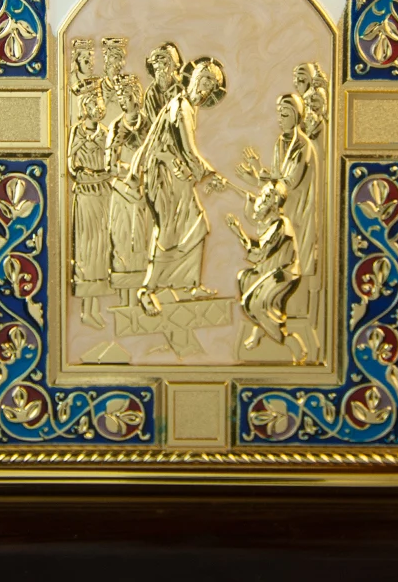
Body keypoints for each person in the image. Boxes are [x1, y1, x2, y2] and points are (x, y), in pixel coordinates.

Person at [129, 56, 227, 317]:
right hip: (163, 176)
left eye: (212, 86)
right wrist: (209, 173)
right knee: (168, 232)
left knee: (196, 224)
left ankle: (190, 285)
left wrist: (201, 173)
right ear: (195, 79)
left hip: (176, 176)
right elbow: (188, 149)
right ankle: (147, 290)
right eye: (205, 81)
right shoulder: (180, 107)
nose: (206, 90)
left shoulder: (188, 107)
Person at [238, 93, 318, 279]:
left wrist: (256, 179)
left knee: (295, 247)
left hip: (297, 206)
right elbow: (276, 178)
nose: (280, 119)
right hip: (281, 205)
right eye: (279, 113)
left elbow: (289, 183)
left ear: (296, 116)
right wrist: (258, 170)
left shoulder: (302, 145)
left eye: (285, 114)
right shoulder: (280, 142)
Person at [226, 179, 306, 363]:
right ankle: (259, 330)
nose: (260, 197)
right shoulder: (268, 222)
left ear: (274, 202)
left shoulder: (281, 225)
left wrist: (239, 233)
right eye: (262, 193)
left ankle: (289, 341)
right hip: (271, 269)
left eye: (265, 195)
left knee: (253, 303)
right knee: (244, 278)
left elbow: (259, 253)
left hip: (285, 273)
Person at [104, 74, 151, 303]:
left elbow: (153, 155)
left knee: (143, 241)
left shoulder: (149, 126)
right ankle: (123, 299)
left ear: (136, 97)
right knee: (122, 241)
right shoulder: (116, 127)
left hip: (143, 192)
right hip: (122, 192)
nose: (123, 100)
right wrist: (129, 171)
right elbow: (109, 164)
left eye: (127, 96)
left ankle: (143, 294)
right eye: (120, 96)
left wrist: (141, 174)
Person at [67, 91, 111, 328]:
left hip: (102, 193)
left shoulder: (105, 133)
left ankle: (94, 310)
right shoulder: (77, 132)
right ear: (85, 107)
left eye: (100, 104)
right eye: (94, 104)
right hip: (84, 194)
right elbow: (70, 164)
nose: (99, 108)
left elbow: (110, 164)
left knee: (100, 249)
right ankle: (85, 310)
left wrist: (98, 174)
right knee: (85, 248)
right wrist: (82, 172)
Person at [143, 42, 184, 123]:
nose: (159, 67)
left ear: (175, 66)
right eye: (155, 64)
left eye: (163, 63)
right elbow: (153, 122)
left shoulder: (182, 89)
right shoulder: (151, 93)